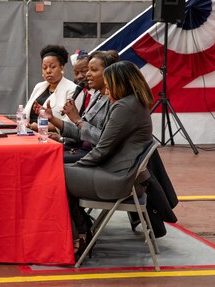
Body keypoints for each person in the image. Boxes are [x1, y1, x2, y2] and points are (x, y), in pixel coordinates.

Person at [64, 60, 155, 258]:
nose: (105, 88)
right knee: (61, 172)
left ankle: (80, 234)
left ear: (119, 83)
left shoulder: (124, 107)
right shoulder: (133, 103)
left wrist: (76, 167)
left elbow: (102, 150)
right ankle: (82, 229)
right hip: (122, 175)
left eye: (108, 83)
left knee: (56, 175)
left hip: (117, 179)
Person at [46, 51, 117, 163]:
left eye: (93, 70)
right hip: (81, 149)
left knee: (49, 160)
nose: (87, 74)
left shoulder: (114, 100)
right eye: (88, 70)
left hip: (96, 156)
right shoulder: (97, 95)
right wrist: (52, 119)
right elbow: (81, 132)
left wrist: (77, 120)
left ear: (108, 72)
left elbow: (104, 140)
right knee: (43, 153)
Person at [24, 45, 83, 132]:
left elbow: (70, 124)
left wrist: (37, 127)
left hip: (53, 138)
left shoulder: (73, 89)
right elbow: (26, 112)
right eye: (44, 68)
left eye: (52, 67)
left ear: (62, 68)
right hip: (29, 132)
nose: (48, 71)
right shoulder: (39, 86)